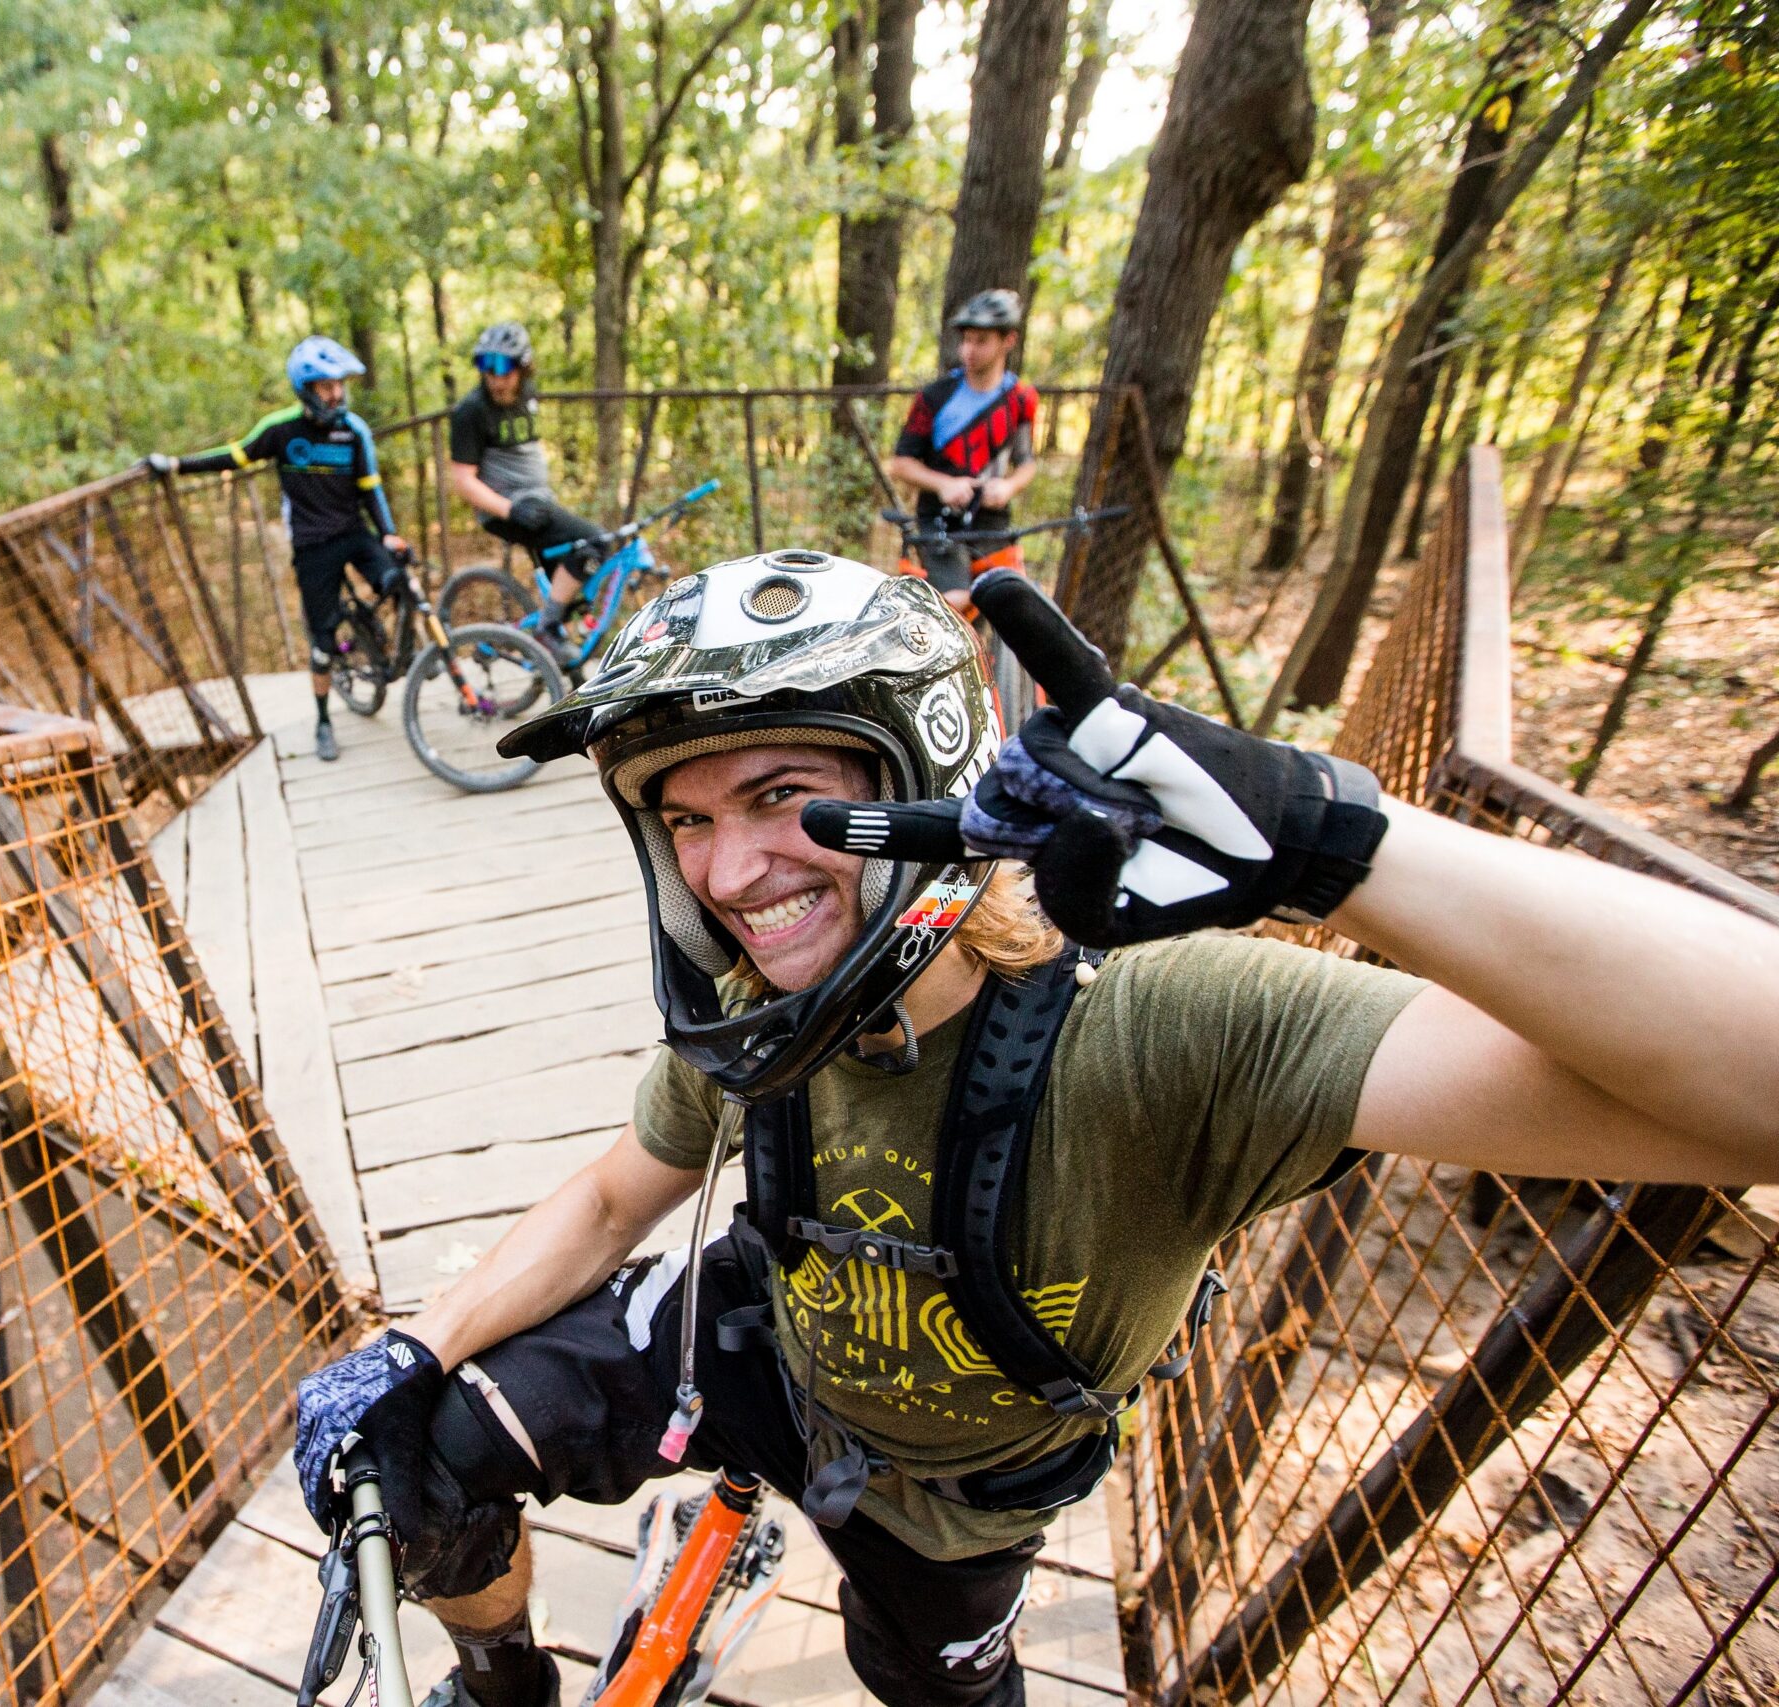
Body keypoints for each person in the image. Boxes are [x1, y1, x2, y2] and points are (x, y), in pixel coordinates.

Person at [289, 549, 1779, 1707]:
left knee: (932, 1681)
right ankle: (506, 1685)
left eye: (784, 795)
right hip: (765, 1339)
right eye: (683, 817)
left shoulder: (1162, 1029)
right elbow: (623, 1193)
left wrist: (1345, 847)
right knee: (416, 1454)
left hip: (955, 1503)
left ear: (918, 781)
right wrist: (413, 1349)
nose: (731, 868)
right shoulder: (756, 1013)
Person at [149, 336, 407, 762]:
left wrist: (389, 533)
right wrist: (176, 465)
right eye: (327, 386)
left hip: (354, 532)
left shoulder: (354, 430)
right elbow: (235, 456)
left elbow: (371, 489)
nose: (336, 393)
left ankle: (386, 642)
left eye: (340, 384)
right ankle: (324, 721)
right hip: (312, 545)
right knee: (322, 644)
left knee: (398, 577)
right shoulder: (282, 429)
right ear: (307, 389)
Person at [445, 322, 605, 657]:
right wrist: (511, 509)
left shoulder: (528, 393)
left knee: (572, 598)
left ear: (523, 367)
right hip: (507, 509)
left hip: (538, 501)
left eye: (503, 367)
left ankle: (558, 654)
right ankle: (546, 630)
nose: (495, 377)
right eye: (486, 366)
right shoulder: (471, 411)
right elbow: (462, 481)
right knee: (594, 542)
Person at [885, 290, 1040, 614]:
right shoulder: (934, 398)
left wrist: (1008, 486)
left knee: (1012, 606)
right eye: (966, 340)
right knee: (955, 602)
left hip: (993, 522)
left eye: (981, 341)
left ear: (1008, 341)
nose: (970, 350)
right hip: (940, 521)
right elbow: (900, 464)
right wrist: (943, 485)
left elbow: (1027, 462)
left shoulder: (1021, 399)